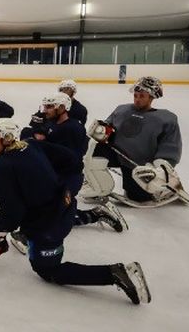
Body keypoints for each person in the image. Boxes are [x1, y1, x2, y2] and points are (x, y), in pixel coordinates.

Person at [0, 118, 151, 305]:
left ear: (6, 138)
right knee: (41, 225)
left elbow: (13, 210)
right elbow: (70, 159)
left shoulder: (2, 167)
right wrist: (59, 185)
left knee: (47, 269)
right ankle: (96, 214)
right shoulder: (30, 145)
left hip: (47, 226)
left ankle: (116, 273)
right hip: (65, 206)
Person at [11, 93, 125, 254]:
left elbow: (68, 158)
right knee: (49, 208)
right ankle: (97, 214)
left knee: (50, 210)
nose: (46, 110)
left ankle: (26, 234)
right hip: (53, 173)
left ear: (63, 108)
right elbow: (30, 134)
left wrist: (41, 145)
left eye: (50, 107)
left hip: (68, 177)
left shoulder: (73, 128)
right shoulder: (51, 122)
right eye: (45, 106)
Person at [83, 76, 182, 206]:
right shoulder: (122, 110)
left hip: (140, 166)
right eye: (135, 95)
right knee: (91, 153)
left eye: (142, 96)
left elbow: (169, 147)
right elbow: (108, 126)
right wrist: (101, 130)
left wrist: (161, 169)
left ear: (152, 97)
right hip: (117, 154)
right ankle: (99, 187)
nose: (137, 99)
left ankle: (165, 187)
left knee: (138, 197)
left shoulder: (166, 119)